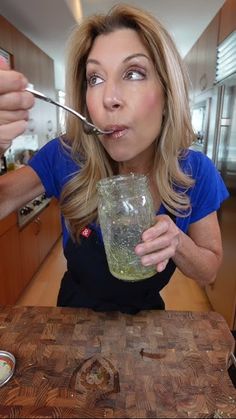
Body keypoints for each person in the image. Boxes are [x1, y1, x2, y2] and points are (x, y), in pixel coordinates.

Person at [0, 4, 229, 314]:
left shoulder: (195, 171)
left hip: (148, 322)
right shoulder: (65, 155)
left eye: (133, 73)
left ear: (167, 94)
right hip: (73, 317)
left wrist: (178, 243)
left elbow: (210, 269)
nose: (109, 98)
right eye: (95, 79)